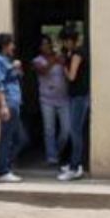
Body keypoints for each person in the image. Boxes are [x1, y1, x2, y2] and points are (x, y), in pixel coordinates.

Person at [0, 32, 28, 183]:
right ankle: (3, 171)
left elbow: (16, 77)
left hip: (14, 102)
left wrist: (17, 68)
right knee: (7, 138)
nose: (13, 47)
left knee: (21, 138)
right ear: (4, 45)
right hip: (8, 103)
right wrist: (3, 106)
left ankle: (3, 165)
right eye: (11, 43)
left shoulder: (5, 60)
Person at [32, 35, 71, 166]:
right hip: (46, 100)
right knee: (49, 130)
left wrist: (63, 61)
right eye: (43, 44)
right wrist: (55, 60)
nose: (46, 46)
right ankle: (52, 157)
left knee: (66, 130)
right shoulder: (37, 60)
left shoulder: (60, 58)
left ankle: (57, 152)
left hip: (64, 99)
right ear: (39, 47)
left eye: (48, 43)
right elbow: (42, 71)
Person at [57, 27, 89, 181]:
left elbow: (71, 76)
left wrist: (64, 66)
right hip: (77, 96)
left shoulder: (77, 54)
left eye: (65, 41)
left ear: (70, 40)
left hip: (79, 97)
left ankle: (75, 168)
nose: (64, 44)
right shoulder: (76, 53)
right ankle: (73, 164)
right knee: (75, 131)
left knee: (75, 132)